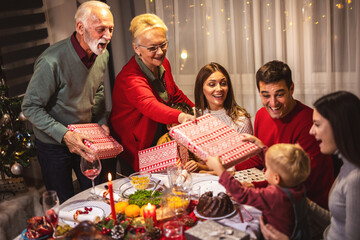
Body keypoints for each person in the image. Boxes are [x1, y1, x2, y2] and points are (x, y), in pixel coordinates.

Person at [21, 1, 114, 203]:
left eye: (110, 29)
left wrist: (99, 121)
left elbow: (97, 88)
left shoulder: (102, 54)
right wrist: (65, 135)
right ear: (80, 28)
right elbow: (29, 107)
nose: (107, 36)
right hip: (53, 144)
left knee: (96, 194)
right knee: (63, 203)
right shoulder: (51, 61)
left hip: (85, 137)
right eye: (101, 29)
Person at [259, 91, 360, 240]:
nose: (311, 131)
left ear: (339, 127)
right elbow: (335, 222)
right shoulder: (347, 165)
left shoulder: (355, 180)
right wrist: (302, 200)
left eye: (317, 125)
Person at [236, 60, 334, 209]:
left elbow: (302, 181)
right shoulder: (261, 115)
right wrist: (226, 169)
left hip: (309, 205)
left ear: (291, 88)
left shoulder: (310, 123)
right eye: (266, 95)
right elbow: (259, 157)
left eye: (279, 94)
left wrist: (257, 187)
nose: (273, 103)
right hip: (280, 189)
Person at [110, 14, 194, 174]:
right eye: (152, 48)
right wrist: (181, 117)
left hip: (158, 134)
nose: (160, 52)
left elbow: (174, 93)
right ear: (136, 48)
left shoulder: (163, 63)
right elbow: (150, 106)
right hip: (136, 143)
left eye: (163, 44)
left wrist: (198, 110)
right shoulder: (129, 78)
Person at [206, 143, 311, 239]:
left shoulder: (274, 195)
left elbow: (241, 194)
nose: (266, 169)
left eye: (268, 168)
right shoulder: (297, 186)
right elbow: (275, 163)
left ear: (276, 178)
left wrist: (219, 169)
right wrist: (261, 148)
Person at [194, 62, 253, 134]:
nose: (219, 89)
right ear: (201, 88)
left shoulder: (241, 119)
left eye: (223, 83)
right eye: (212, 84)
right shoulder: (193, 117)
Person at [156, 102, 208, 173]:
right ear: (169, 126)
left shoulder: (193, 140)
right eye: (177, 125)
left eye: (185, 126)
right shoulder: (163, 141)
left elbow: (209, 164)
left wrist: (198, 165)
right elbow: (157, 168)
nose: (181, 129)